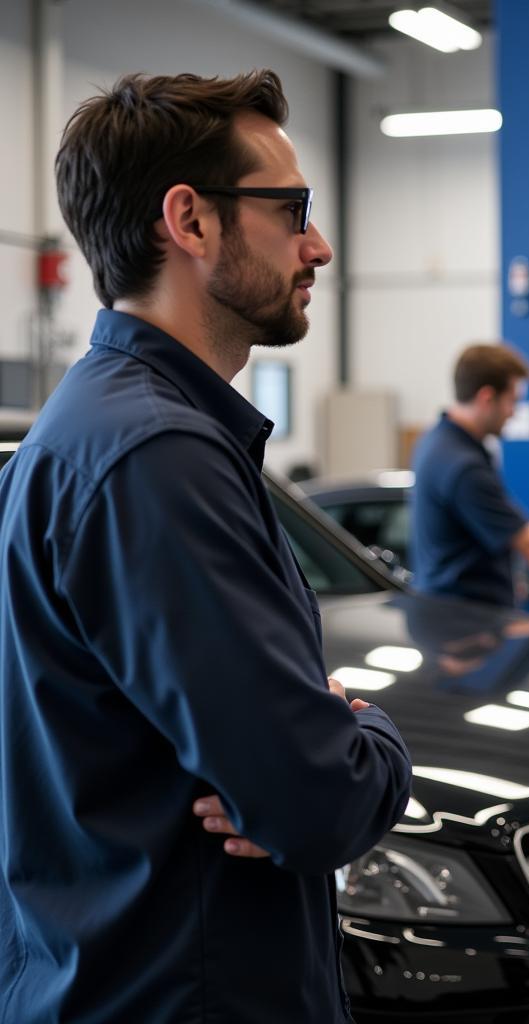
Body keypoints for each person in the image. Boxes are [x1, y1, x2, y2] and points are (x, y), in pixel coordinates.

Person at [0, 71, 412, 1024]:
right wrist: (370, 734)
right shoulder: (157, 455)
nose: (319, 245)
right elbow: (316, 802)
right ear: (189, 221)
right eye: (292, 210)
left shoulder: (88, 428)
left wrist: (306, 754)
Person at [411, 343, 529, 611]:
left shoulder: (436, 441)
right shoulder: (463, 467)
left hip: (449, 615)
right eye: (512, 401)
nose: (513, 412)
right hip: (467, 627)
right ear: (486, 398)